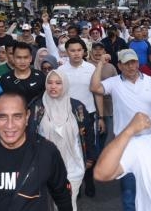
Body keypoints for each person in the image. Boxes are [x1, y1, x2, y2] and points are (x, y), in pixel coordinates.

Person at [0, 92, 72, 211]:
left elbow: (62, 195)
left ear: (27, 117)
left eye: (17, 116)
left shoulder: (46, 151)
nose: (10, 125)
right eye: (2, 117)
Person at [90, 48, 151, 211]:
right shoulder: (114, 82)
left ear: (138, 62)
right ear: (120, 66)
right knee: (129, 189)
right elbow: (95, 88)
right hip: (125, 143)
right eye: (126, 63)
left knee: (149, 185)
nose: (131, 66)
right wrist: (100, 64)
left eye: (134, 62)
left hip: (148, 142)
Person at [29, 70, 96, 210]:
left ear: (65, 85)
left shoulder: (77, 107)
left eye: (58, 83)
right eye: (50, 82)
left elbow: (88, 133)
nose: (53, 86)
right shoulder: (36, 106)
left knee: (68, 204)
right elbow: (29, 134)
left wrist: (90, 157)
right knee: (48, 205)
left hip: (73, 165)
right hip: (44, 166)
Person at [57, 37, 98, 197]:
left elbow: (96, 92)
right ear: (67, 52)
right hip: (68, 115)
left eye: (79, 50)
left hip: (89, 114)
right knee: (72, 150)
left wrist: (100, 117)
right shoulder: (61, 71)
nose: (76, 53)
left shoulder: (91, 68)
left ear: (84, 51)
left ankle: (89, 181)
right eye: (72, 50)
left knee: (89, 150)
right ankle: (75, 184)